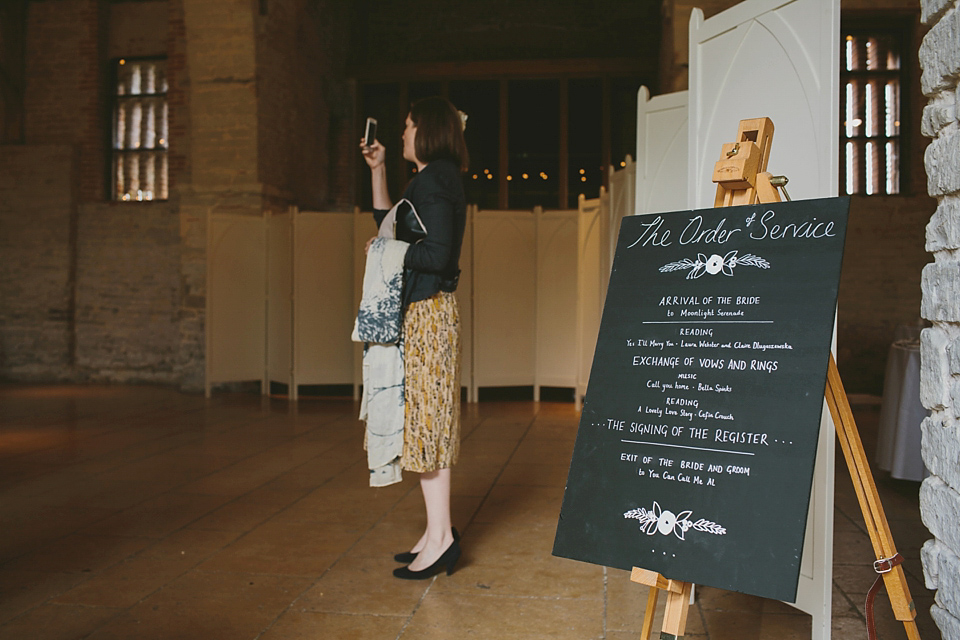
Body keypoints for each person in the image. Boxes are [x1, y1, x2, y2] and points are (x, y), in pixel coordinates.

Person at [360, 96, 468, 580]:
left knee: (427, 427)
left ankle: (442, 539)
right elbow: (393, 229)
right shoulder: (433, 179)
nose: (402, 134)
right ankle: (436, 532)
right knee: (428, 425)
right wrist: (378, 170)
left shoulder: (435, 179)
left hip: (428, 316)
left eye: (406, 127)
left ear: (426, 130)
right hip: (427, 315)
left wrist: (391, 251)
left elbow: (438, 255)